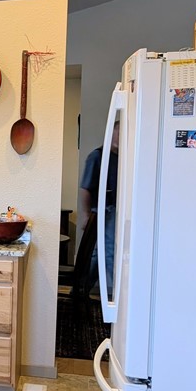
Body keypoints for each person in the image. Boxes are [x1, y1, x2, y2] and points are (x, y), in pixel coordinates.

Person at [79, 120, 119, 296]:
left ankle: (83, 289)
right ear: (112, 134)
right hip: (103, 212)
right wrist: (86, 214)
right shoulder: (97, 156)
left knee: (101, 254)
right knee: (107, 253)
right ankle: (85, 288)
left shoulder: (122, 158)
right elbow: (85, 189)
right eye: (118, 133)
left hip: (116, 212)